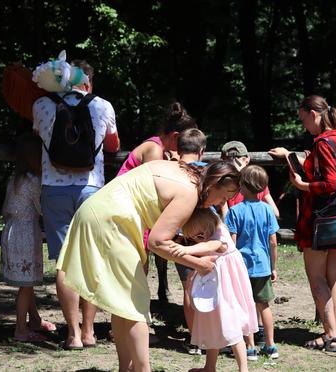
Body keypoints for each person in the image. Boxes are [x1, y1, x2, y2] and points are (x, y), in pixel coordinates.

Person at [57, 160, 240, 371]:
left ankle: (126, 369)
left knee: (122, 302)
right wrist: (198, 263)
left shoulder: (182, 170)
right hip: (113, 221)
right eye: (224, 196)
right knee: (137, 305)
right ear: (214, 183)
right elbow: (158, 242)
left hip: (97, 211)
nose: (221, 203)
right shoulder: (189, 192)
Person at [32, 59, 120, 350]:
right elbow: (113, 146)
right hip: (91, 189)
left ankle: (71, 334)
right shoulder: (102, 106)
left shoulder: (42, 106)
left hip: (53, 190)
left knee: (65, 264)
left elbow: (38, 138)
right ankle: (89, 331)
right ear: (88, 82)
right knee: (91, 259)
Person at [268, 95, 336, 352]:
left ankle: (331, 335)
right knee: (334, 273)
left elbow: (328, 184)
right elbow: (325, 172)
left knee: (315, 274)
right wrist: (291, 157)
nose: (303, 125)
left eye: (303, 119)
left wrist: (302, 186)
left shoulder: (322, 143)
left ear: (314, 114)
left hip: (321, 215)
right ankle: (335, 332)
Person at [116, 102, 198, 302]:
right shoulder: (154, 149)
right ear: (175, 137)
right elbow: (155, 188)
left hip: (137, 213)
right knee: (136, 269)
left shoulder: (159, 149)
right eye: (183, 144)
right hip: (129, 213)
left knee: (139, 268)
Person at [173, 208, 258, 372]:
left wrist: (187, 250)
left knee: (232, 326)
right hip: (215, 286)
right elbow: (210, 256)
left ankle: (243, 369)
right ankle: (209, 367)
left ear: (207, 227)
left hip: (226, 289)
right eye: (193, 239)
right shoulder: (210, 230)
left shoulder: (219, 234)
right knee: (212, 324)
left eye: (198, 236)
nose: (197, 241)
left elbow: (213, 247)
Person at [0, 133, 56, 342]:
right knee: (25, 285)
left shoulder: (14, 180)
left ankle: (33, 319)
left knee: (26, 282)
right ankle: (20, 329)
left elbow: (6, 208)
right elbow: (41, 209)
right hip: (25, 231)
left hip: (11, 229)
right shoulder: (34, 181)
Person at [225, 165, 280, 360]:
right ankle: (271, 345)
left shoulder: (234, 211)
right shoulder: (267, 210)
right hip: (263, 267)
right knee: (263, 305)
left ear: (243, 185)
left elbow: (231, 243)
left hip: (242, 268)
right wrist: (273, 267)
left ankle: (250, 347)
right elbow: (273, 242)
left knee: (245, 306)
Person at [170, 128, 207, 355]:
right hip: (205, 237)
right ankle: (211, 336)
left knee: (189, 287)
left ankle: (195, 339)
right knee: (208, 285)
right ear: (201, 151)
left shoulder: (170, 170)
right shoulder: (209, 172)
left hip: (179, 237)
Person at [220, 140, 280, 219]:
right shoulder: (257, 180)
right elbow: (275, 214)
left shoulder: (224, 183)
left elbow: (275, 214)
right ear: (247, 159)